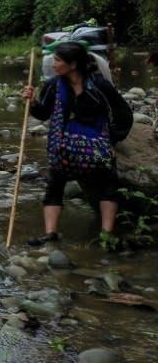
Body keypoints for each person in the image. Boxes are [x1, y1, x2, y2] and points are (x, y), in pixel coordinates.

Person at [22, 42, 133, 250]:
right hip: (63, 146)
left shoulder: (99, 85)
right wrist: (33, 102)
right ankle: (51, 233)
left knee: (108, 183)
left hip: (95, 145)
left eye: (57, 60)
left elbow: (123, 113)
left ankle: (106, 234)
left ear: (72, 64)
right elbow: (43, 114)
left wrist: (112, 140)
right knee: (54, 184)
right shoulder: (53, 85)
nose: (53, 64)